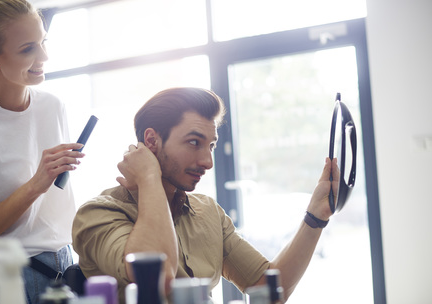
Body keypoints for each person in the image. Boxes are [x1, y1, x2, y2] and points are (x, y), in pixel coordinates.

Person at [72, 87, 337, 303]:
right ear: (151, 141)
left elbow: (266, 288)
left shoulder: (207, 211)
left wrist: (315, 217)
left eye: (210, 145)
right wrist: (149, 177)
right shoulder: (98, 214)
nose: (207, 161)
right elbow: (159, 278)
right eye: (194, 142)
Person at [0, 0, 85, 303]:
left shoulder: (54, 107)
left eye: (43, 43)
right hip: (5, 280)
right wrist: (36, 184)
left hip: (63, 268)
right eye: (28, 49)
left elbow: (54, 211)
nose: (44, 57)